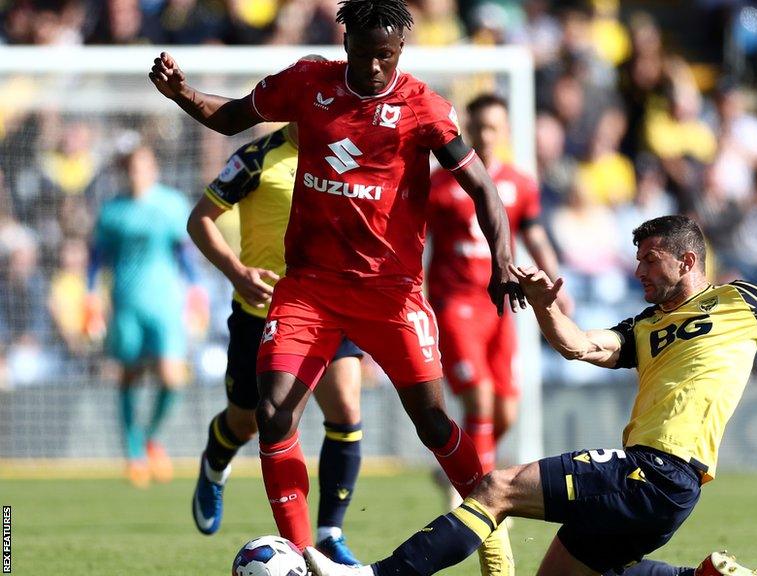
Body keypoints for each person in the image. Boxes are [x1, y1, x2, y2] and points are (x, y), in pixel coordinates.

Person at [303, 214, 757, 576]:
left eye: (649, 260)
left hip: (660, 470)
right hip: (660, 488)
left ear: (687, 260)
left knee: (494, 486)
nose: (638, 272)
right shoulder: (646, 327)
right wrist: (548, 306)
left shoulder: (743, 301)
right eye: (636, 260)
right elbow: (580, 345)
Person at [148, 1, 524, 571]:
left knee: (431, 421)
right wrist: (182, 92)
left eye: (387, 56)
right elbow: (232, 117)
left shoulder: (423, 107)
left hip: (390, 291)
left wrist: (504, 260)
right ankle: (305, 556)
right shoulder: (308, 83)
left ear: (400, 52)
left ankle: (489, 518)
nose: (375, 67)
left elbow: (483, 188)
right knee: (275, 413)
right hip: (310, 288)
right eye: (365, 53)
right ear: (344, 42)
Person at [186, 121, 365, 565]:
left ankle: (328, 535)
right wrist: (236, 272)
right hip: (260, 315)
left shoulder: (345, 154)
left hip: (327, 310)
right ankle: (215, 459)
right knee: (247, 422)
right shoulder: (255, 159)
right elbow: (199, 220)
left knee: (345, 409)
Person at [426, 93, 570, 492]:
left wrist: (556, 281)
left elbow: (535, 235)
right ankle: (482, 496)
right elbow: (415, 238)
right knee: (480, 398)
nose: (487, 136)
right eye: (480, 127)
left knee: (506, 409)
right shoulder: (439, 184)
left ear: (506, 131)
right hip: (454, 303)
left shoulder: (520, 184)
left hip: (502, 305)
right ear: (468, 130)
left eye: (494, 127)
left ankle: (458, 471)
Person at [88, 142, 203, 488]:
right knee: (129, 376)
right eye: (130, 168)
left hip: (165, 302)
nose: (136, 173)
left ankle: (150, 436)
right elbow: (97, 258)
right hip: (125, 302)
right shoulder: (112, 211)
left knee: (171, 377)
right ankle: (134, 452)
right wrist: (90, 295)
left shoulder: (171, 205)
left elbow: (184, 253)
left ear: (153, 168)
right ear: (124, 172)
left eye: (142, 166)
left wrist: (196, 291)